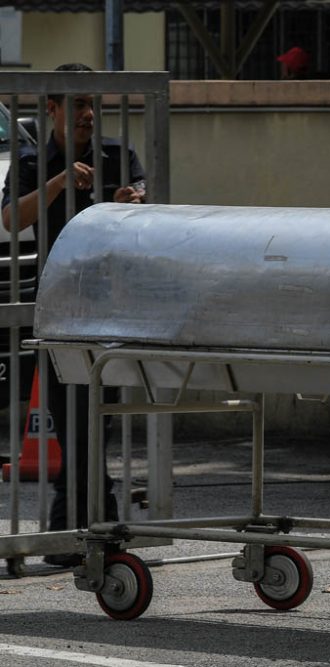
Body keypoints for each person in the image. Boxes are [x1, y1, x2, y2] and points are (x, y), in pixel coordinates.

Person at [2, 63, 146, 566]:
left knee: (99, 415)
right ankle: (79, 527)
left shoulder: (116, 154)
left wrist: (129, 204)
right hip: (60, 304)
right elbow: (12, 219)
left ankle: (80, 527)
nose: (88, 114)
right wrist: (59, 182)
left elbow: (147, 214)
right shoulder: (31, 160)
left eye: (93, 105)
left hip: (108, 305)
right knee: (69, 416)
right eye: (78, 105)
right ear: (52, 109)